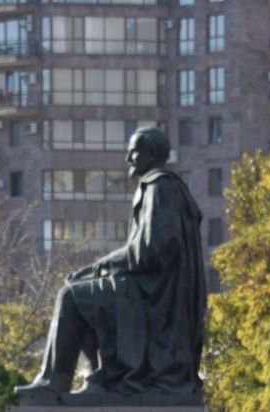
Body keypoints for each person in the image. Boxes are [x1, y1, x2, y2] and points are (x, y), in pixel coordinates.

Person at [16, 126, 205, 398]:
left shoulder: (159, 187)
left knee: (72, 294)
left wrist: (100, 265)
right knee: (81, 287)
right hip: (148, 293)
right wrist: (100, 269)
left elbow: (148, 251)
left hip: (154, 300)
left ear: (152, 154)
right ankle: (101, 376)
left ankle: (55, 383)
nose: (128, 159)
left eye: (134, 151)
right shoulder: (164, 187)